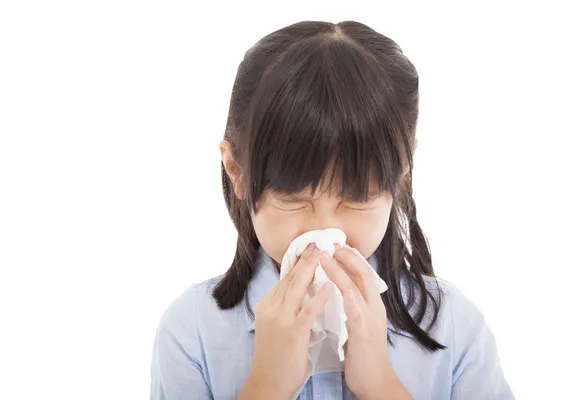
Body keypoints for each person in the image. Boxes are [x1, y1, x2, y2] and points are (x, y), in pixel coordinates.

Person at [150, 20, 514, 399]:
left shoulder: (453, 327)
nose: (322, 229)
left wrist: (381, 386)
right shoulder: (191, 330)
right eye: (293, 197)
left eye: (357, 198)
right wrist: (266, 387)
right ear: (237, 171)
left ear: (401, 173)